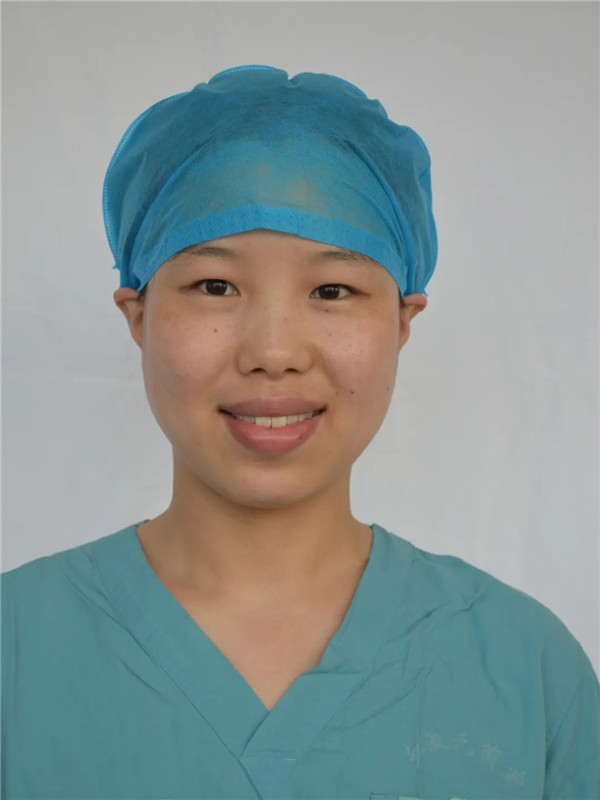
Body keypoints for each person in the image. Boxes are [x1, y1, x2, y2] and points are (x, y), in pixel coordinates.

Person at [2, 65, 598, 800]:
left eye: (332, 290)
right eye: (215, 286)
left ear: (402, 322)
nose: (274, 351)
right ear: (139, 316)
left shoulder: (525, 669)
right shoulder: (16, 650)